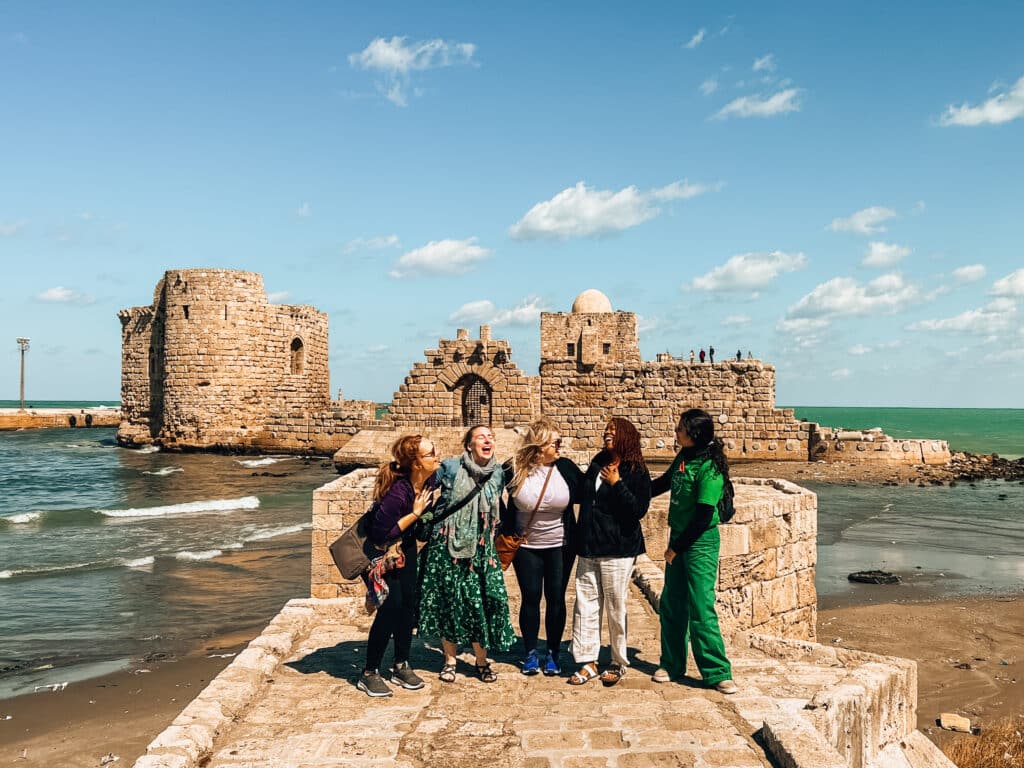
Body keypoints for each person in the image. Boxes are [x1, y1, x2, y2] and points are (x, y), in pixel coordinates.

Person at [417, 425, 515, 683]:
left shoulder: (498, 474)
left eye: (491, 437)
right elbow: (420, 485)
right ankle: (449, 660)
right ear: (469, 445)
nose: (488, 440)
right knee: (449, 603)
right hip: (446, 547)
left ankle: (481, 661)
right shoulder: (449, 467)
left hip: (482, 550)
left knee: (480, 603)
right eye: (481, 437)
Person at [650, 409, 738, 694]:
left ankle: (717, 672)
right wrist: (627, 491)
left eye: (680, 428)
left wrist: (675, 548)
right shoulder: (684, 458)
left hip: (699, 543)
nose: (676, 432)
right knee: (672, 603)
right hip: (679, 537)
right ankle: (671, 664)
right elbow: (663, 483)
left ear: (693, 434)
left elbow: (702, 516)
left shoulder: (710, 467)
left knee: (701, 606)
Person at [568, 417, 651, 686]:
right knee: (585, 605)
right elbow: (584, 495)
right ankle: (588, 660)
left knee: (616, 608)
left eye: (612, 431)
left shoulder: (636, 471)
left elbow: (637, 510)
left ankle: (618, 661)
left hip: (618, 549)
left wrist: (617, 483)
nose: (607, 434)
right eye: (605, 430)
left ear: (626, 436)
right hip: (590, 547)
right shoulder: (598, 462)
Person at [357, 435, 441, 697]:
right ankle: (369, 673)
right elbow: (381, 534)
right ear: (416, 463)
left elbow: (450, 471)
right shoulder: (398, 492)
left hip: (405, 549)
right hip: (381, 554)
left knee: (407, 608)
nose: (437, 456)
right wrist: (415, 514)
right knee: (390, 609)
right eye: (430, 454)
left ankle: (401, 664)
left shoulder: (429, 479)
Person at [501, 418, 583, 677]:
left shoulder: (566, 468)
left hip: (560, 545)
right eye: (555, 443)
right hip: (526, 546)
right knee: (531, 597)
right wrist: (505, 527)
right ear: (539, 447)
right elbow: (490, 493)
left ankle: (554, 653)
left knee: (556, 599)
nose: (560, 447)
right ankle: (530, 652)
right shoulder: (513, 468)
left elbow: (591, 493)